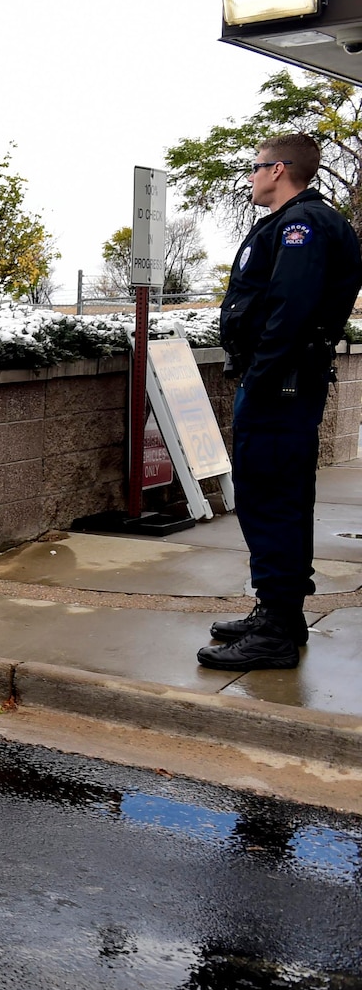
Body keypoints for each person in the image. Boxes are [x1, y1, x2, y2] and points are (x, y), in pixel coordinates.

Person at [200, 132, 362, 670]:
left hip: (280, 384)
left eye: (256, 166)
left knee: (271, 495)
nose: (250, 175)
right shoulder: (288, 224)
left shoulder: (303, 225)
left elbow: (290, 312)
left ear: (279, 170)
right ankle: (281, 614)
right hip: (279, 380)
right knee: (277, 494)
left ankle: (274, 629)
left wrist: (261, 378)